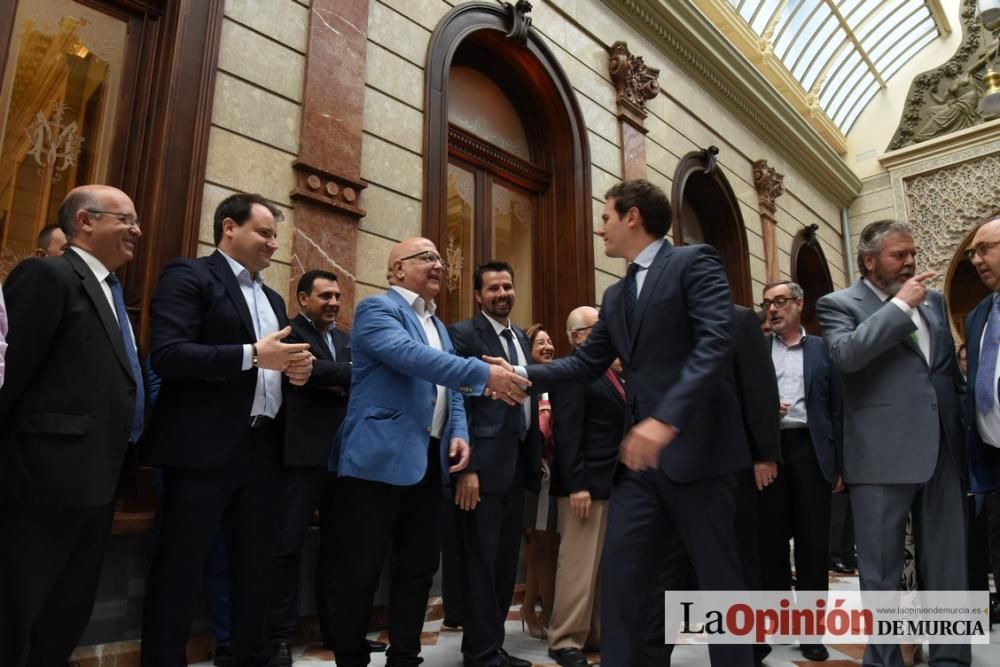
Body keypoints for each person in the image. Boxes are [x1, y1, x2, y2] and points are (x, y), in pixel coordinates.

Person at [493, 179, 753, 666]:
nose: (600, 227)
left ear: (632, 216)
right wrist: (521, 374)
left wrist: (666, 420)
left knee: (720, 582)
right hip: (637, 468)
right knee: (623, 577)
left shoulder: (694, 263)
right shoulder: (613, 297)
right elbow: (583, 365)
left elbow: (715, 344)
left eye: (606, 216)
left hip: (700, 452)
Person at [328, 237, 528, 667]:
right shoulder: (377, 310)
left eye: (440, 258)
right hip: (376, 462)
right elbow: (412, 358)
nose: (439, 264)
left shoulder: (439, 324)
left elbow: (451, 390)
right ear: (397, 269)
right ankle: (351, 659)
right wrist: (485, 373)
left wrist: (458, 432)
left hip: (427, 461)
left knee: (418, 569)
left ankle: (406, 657)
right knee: (360, 571)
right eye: (428, 258)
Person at [141, 193, 314, 667]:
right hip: (200, 450)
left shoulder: (275, 298)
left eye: (276, 235)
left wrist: (294, 372)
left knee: (255, 573)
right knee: (178, 572)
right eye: (264, 232)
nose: (273, 244)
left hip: (263, 450)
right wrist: (253, 356)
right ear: (229, 228)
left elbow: (274, 367)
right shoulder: (190, 276)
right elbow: (169, 355)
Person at [0, 185, 144, 666]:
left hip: (98, 483)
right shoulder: (46, 276)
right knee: (17, 611)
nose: (136, 231)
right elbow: (10, 377)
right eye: (125, 219)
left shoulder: (111, 291)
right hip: (41, 483)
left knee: (65, 614)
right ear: (85, 220)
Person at [816, 219, 968, 667]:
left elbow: (944, 373)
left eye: (913, 254)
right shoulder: (837, 303)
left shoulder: (936, 303)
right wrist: (899, 307)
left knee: (948, 566)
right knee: (880, 574)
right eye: (898, 255)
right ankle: (884, 660)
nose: (910, 263)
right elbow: (847, 356)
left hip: (943, 450)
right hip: (879, 455)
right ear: (869, 260)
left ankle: (951, 658)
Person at [266, 270, 385, 662]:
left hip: (345, 459)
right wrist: (333, 376)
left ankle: (339, 632)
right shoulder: (289, 332)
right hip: (300, 458)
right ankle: (279, 637)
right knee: (286, 548)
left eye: (337, 296)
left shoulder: (347, 339)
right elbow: (302, 372)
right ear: (303, 300)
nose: (334, 303)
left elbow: (359, 377)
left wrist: (327, 376)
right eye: (324, 296)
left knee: (341, 549)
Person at [447, 260, 541, 667]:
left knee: (505, 564)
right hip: (481, 467)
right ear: (478, 296)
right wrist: (466, 468)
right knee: (480, 562)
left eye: (507, 287)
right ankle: (480, 653)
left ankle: (493, 646)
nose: (502, 294)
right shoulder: (464, 335)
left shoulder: (520, 336)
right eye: (493, 289)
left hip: (517, 463)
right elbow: (458, 397)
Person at [758, 280, 841, 662]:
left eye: (780, 302)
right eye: (767, 304)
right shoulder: (757, 351)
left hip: (810, 450)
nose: (772, 309)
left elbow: (838, 408)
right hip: (768, 454)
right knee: (770, 544)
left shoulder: (824, 350)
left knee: (812, 546)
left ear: (799, 303)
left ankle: (811, 630)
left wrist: (840, 463)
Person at [547, 306, 626, 667]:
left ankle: (594, 633)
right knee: (578, 566)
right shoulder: (573, 371)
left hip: (609, 485)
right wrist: (578, 484)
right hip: (583, 488)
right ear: (577, 336)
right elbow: (567, 431)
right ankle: (564, 640)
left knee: (600, 566)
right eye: (597, 328)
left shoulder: (606, 371)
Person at [521, 324, 559, 641]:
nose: (547, 346)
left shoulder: (555, 381)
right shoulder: (527, 384)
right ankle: (548, 615)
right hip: (537, 475)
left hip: (554, 475)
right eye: (540, 342)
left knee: (542, 546)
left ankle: (527, 609)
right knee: (541, 544)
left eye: (550, 342)